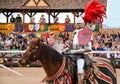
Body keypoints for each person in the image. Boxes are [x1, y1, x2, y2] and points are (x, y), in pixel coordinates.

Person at [68, 16, 95, 84]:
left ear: (83, 24)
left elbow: (87, 48)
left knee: (80, 71)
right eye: (77, 23)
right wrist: (68, 47)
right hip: (72, 55)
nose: (78, 25)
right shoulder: (75, 33)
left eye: (79, 23)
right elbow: (73, 45)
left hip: (82, 55)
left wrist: (74, 50)